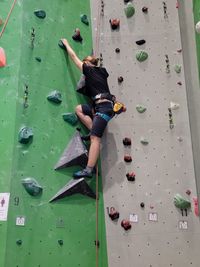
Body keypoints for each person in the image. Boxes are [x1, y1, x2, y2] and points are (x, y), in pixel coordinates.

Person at [61, 38, 114, 178]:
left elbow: (73, 57)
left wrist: (66, 44)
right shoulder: (101, 71)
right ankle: (92, 131)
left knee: (96, 139)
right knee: (79, 109)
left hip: (103, 108)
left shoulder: (89, 70)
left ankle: (89, 169)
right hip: (101, 107)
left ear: (87, 63)